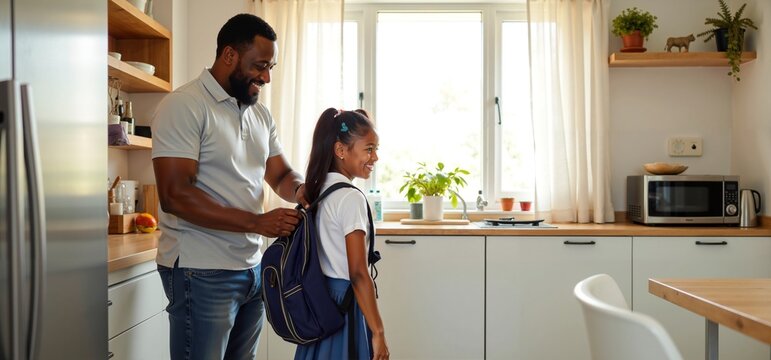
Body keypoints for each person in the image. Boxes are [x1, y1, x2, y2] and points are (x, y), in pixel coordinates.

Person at [151, 13, 308, 360]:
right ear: (229, 56)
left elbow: (280, 176)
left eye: (271, 67)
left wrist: (302, 190)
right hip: (201, 269)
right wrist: (257, 222)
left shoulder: (259, 115)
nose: (266, 77)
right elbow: (175, 194)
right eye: (260, 66)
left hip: (251, 268)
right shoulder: (185, 105)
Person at [296, 108, 390, 360]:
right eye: (369, 149)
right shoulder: (350, 198)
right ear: (340, 150)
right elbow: (358, 273)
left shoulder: (318, 190)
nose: (376, 157)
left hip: (320, 301)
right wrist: (378, 331)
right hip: (344, 305)